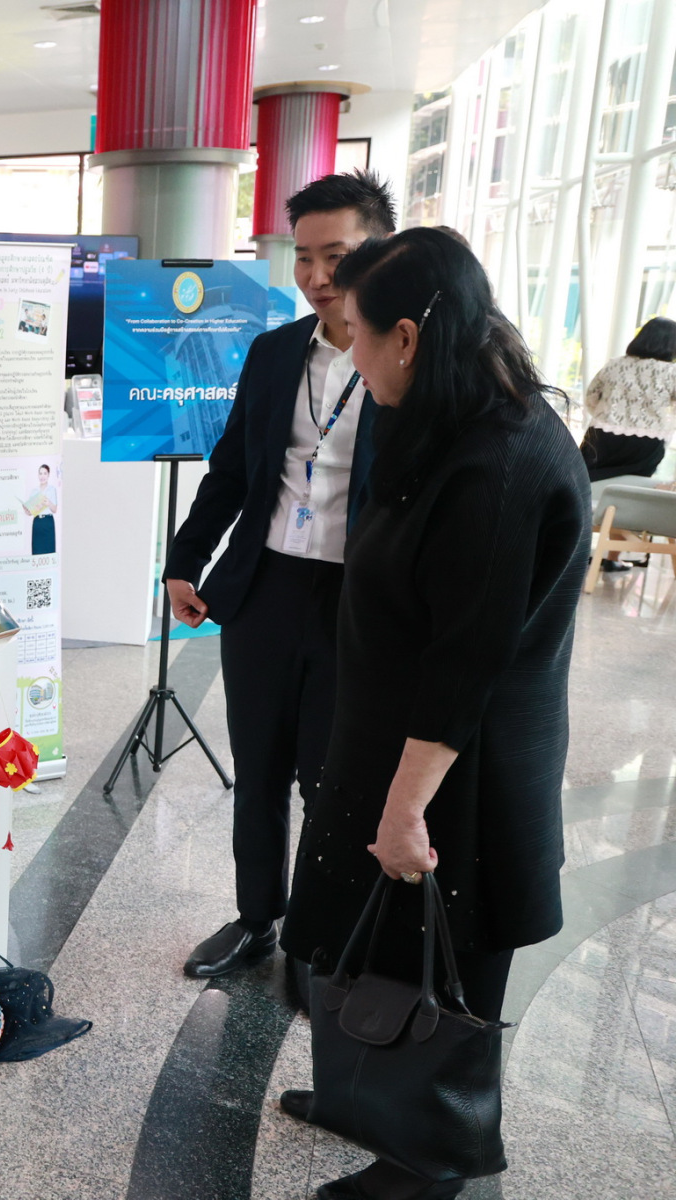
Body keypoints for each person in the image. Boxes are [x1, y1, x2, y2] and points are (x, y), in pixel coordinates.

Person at [279, 227, 589, 1200]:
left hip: (460, 772)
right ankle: (364, 1092)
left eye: (359, 338)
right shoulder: (449, 413)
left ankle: (429, 1160)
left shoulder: (502, 462)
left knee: (446, 968)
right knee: (369, 939)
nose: (352, 358)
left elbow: (468, 661)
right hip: (395, 738)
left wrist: (407, 807)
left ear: (408, 337)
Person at [162, 170, 397, 980]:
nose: (318, 276)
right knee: (258, 765)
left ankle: (323, 934)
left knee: (332, 781)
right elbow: (232, 470)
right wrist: (184, 561)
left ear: (380, 253)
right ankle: (257, 918)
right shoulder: (272, 353)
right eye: (303, 257)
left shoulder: (405, 358)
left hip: (354, 603)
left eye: (338, 255)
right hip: (265, 589)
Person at [580, 316, 676, 481]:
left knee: (584, 481)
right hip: (648, 441)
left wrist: (608, 415)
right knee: (631, 487)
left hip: (603, 435)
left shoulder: (614, 364)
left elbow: (592, 397)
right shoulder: (672, 372)